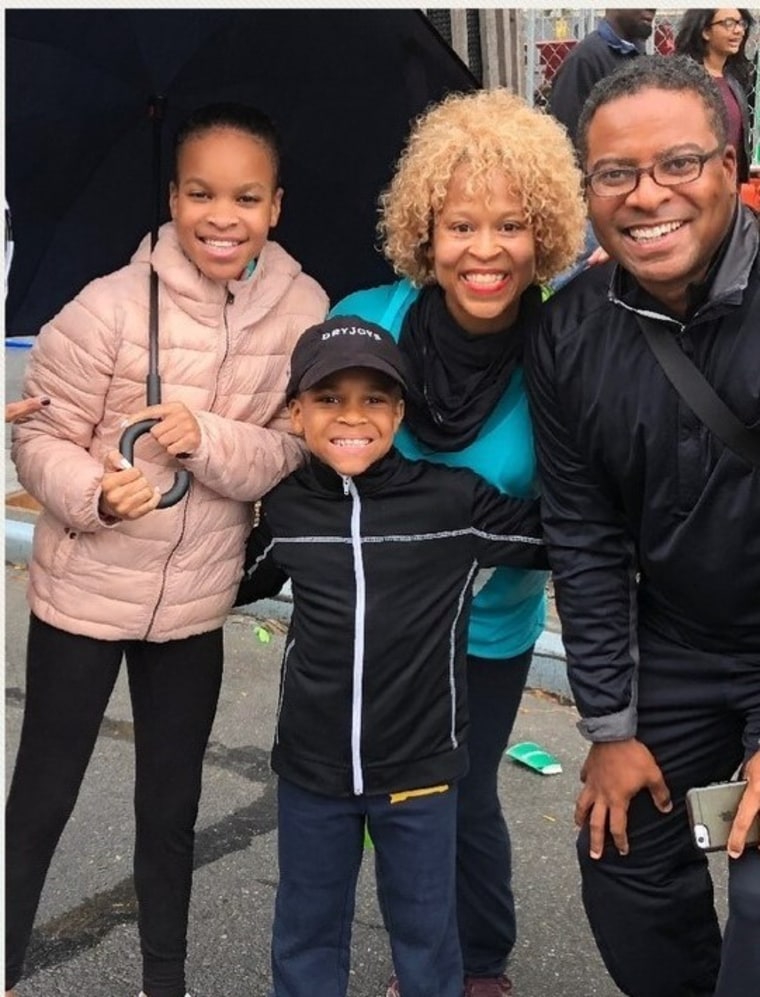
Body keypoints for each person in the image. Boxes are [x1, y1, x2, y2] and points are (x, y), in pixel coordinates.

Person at [6, 102, 328, 997]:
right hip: (83, 593)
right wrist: (89, 490)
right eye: (200, 193)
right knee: (42, 797)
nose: (221, 216)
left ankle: (165, 978)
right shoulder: (109, 304)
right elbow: (39, 437)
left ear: (275, 207)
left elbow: (293, 445)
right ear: (173, 197)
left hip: (193, 608)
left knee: (172, 805)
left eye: (245, 197)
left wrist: (209, 437)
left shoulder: (304, 310)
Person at [329, 88, 586, 997]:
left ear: (544, 232)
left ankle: (478, 963)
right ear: (423, 230)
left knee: (460, 796)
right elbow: (315, 457)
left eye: (511, 225)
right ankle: (427, 963)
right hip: (376, 623)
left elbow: (579, 522)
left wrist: (468, 536)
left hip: (487, 632)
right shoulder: (366, 318)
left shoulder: (567, 346)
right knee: (389, 800)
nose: (485, 251)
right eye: (461, 225)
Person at [526, 54, 760, 997]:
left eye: (678, 164)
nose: (645, 195)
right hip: (677, 642)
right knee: (617, 847)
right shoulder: (568, 330)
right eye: (615, 173)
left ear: (731, 164)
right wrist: (610, 723)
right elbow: (582, 536)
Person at [238, 316, 547, 997]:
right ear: (297, 411)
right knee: (305, 930)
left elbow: (564, 536)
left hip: (421, 769)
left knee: (425, 935)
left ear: (400, 410)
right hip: (312, 767)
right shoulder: (288, 508)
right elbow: (226, 580)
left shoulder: (453, 501)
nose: (352, 416)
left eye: (374, 398)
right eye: (328, 398)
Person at [548, 9, 656, 290]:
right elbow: (563, 140)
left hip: (629, 201)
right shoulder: (586, 59)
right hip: (592, 211)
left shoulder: (638, 58)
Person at [675, 8, 755, 184]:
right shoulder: (683, 80)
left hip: (730, 187)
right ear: (705, 31)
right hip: (697, 184)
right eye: (728, 23)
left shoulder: (734, 80)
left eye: (741, 23)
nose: (739, 30)